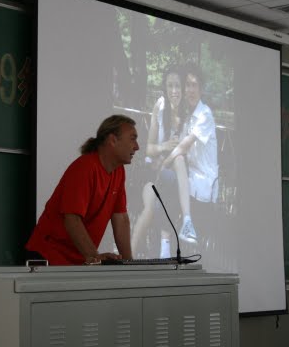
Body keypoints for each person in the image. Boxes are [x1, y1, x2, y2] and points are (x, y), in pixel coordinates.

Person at [25, 114, 139, 265]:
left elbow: (121, 219)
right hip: (47, 256)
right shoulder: (85, 167)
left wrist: (128, 264)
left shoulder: (118, 171)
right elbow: (72, 219)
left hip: (78, 260)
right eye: (132, 138)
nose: (137, 147)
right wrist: (94, 256)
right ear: (112, 140)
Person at [131, 66, 193, 258]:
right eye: (170, 86)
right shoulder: (160, 107)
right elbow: (148, 148)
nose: (174, 91)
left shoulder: (189, 113)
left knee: (168, 181)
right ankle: (129, 255)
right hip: (152, 172)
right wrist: (165, 145)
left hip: (171, 174)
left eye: (177, 86)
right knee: (150, 206)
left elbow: (185, 155)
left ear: (183, 88)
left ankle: (163, 249)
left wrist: (168, 158)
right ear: (165, 88)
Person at [161, 65, 218, 243]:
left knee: (169, 174)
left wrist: (164, 164)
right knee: (166, 182)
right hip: (190, 178)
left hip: (203, 184)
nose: (190, 90)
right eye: (187, 85)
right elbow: (177, 144)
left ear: (201, 89)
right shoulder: (188, 116)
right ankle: (176, 232)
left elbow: (183, 146)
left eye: (194, 85)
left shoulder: (205, 115)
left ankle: (176, 234)